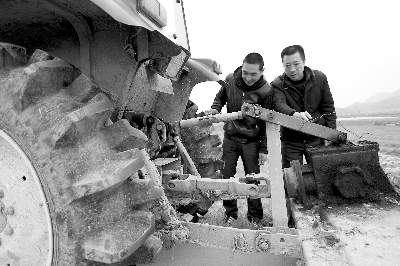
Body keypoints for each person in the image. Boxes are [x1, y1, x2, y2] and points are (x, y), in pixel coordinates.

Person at [204, 53, 273, 226]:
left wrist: (264, 150)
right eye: (245, 73)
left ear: (262, 71)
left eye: (253, 74)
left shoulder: (267, 90)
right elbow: (220, 97)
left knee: (252, 179)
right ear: (241, 68)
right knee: (227, 177)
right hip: (230, 139)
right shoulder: (229, 80)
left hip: (252, 142)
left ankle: (255, 217)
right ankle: (231, 214)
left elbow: (266, 123)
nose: (248, 78)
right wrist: (215, 109)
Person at [271, 45, 337, 168]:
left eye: (296, 64)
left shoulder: (320, 78)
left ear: (304, 61)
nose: (292, 69)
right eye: (287, 65)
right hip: (291, 140)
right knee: (291, 179)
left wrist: (331, 134)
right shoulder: (277, 84)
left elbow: (328, 108)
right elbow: (278, 104)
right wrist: (294, 114)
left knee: (323, 172)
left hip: (317, 136)